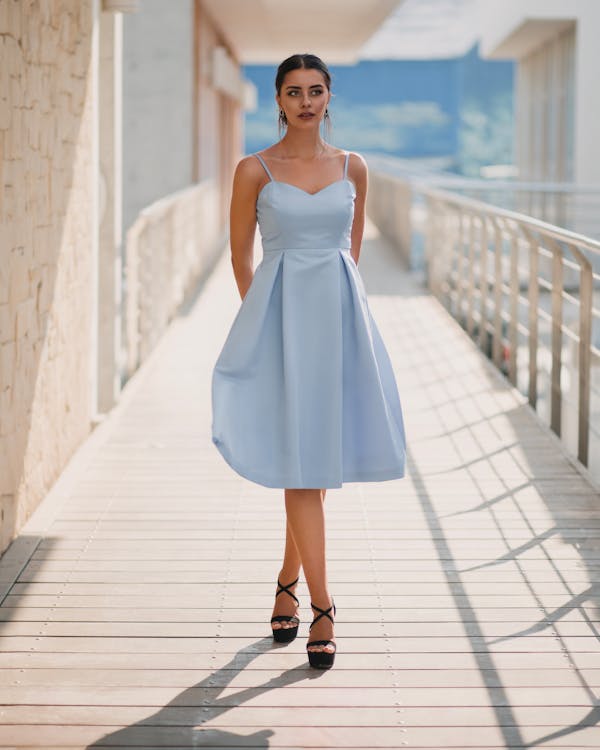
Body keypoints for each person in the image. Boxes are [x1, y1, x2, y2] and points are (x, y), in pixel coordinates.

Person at [211, 53, 406, 669]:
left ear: (329, 97)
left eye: (315, 90)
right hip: (281, 324)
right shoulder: (254, 170)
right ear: (277, 99)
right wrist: (266, 323)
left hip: (340, 324)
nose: (304, 101)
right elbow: (242, 257)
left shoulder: (354, 167)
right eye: (293, 91)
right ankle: (323, 606)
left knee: (314, 468)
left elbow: (350, 251)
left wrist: (341, 317)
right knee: (303, 470)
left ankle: (286, 581)